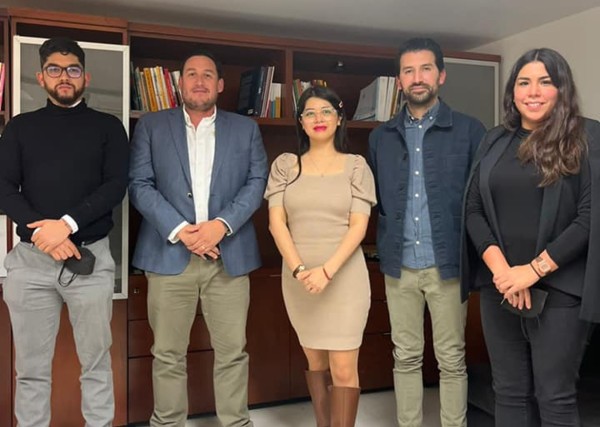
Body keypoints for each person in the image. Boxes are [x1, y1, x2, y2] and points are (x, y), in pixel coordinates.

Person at [129, 48, 268, 427]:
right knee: (167, 353)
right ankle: (168, 422)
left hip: (229, 257)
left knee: (232, 352)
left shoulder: (246, 129)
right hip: (169, 255)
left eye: (208, 74)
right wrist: (181, 231)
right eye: (191, 73)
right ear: (180, 83)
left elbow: (257, 182)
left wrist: (221, 225)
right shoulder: (152, 126)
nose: (200, 80)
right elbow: (139, 184)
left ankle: (235, 422)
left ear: (220, 84)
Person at [462, 47, 600, 427]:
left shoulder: (588, 137)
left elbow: (589, 218)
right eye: (524, 82)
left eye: (545, 82)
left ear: (562, 89)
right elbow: (472, 209)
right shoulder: (494, 140)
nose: (533, 91)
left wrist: (532, 272)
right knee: (507, 392)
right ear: (513, 91)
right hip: (500, 287)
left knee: (554, 396)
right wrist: (505, 273)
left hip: (560, 290)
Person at [0, 37, 129, 427]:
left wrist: (66, 225)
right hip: (30, 263)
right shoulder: (20, 128)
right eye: (54, 69)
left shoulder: (108, 127)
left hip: (90, 259)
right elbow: (4, 188)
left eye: (73, 69)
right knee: (31, 369)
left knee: (96, 363)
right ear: (41, 77)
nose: (64, 77)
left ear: (85, 77)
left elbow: (115, 186)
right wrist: (46, 236)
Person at [368, 37, 486, 427]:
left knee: (451, 358)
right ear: (399, 80)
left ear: (441, 75)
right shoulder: (380, 137)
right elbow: (379, 197)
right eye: (408, 71)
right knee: (405, 356)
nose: (417, 78)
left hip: (447, 265)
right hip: (399, 265)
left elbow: (480, 200)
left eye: (425, 69)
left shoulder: (470, 131)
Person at [265, 85, 376, 426]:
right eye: (310, 112)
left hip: (344, 280)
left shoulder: (356, 166)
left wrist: (326, 271)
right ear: (300, 121)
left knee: (343, 368)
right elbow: (276, 224)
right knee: (315, 363)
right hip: (299, 280)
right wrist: (300, 270)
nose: (318, 118)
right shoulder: (286, 166)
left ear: (339, 118)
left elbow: (358, 227)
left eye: (326, 111)